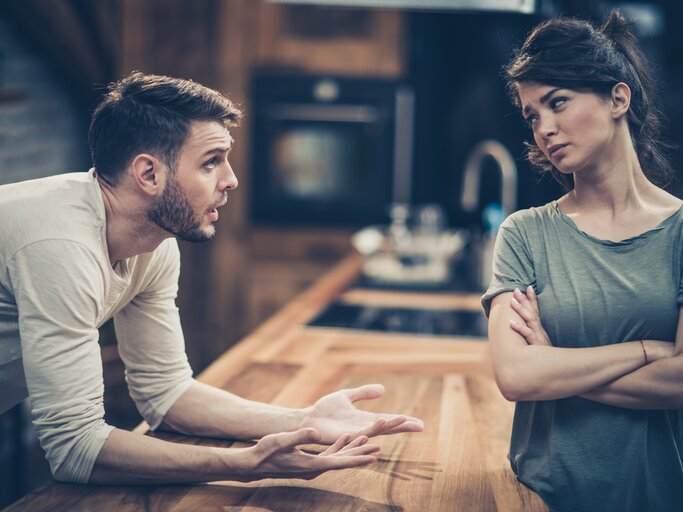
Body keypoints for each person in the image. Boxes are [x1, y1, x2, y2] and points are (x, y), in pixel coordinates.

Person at [0, 71, 423, 485]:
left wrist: (304, 419)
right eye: (211, 162)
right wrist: (243, 466)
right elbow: (75, 449)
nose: (231, 180)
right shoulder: (60, 245)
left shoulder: (155, 243)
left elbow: (165, 394)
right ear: (149, 174)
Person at [482, 10, 683, 512]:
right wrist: (645, 351)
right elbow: (517, 377)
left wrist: (556, 362)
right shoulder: (524, 233)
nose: (544, 128)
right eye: (532, 115)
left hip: (660, 494)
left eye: (558, 103)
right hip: (541, 495)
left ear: (618, 98)